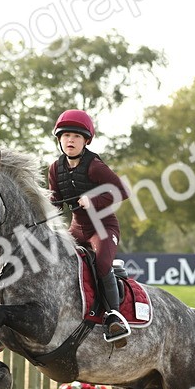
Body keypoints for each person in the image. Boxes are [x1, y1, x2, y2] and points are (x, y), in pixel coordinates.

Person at [46, 108, 131, 344]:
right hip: (77, 228)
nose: (70, 140)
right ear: (59, 140)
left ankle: (113, 317)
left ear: (85, 141)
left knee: (102, 264)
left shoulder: (95, 166)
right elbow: (56, 200)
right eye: (65, 136)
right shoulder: (55, 168)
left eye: (75, 136)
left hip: (102, 227)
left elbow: (123, 191)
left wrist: (92, 200)